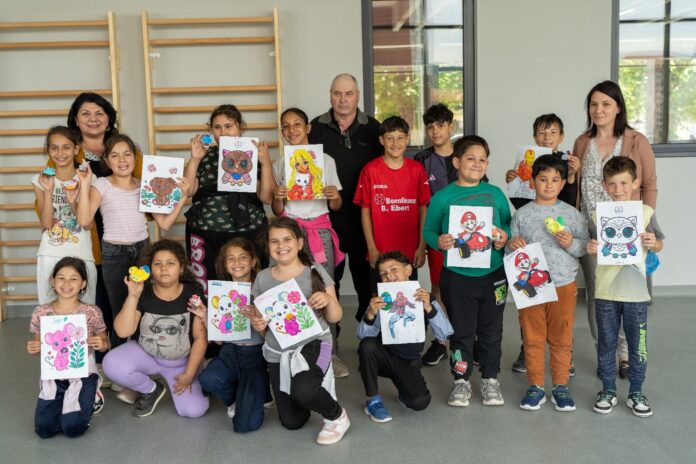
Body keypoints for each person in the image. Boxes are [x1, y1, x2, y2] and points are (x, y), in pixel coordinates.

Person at [76, 134, 189, 403]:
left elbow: (164, 223)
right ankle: (124, 378)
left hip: (142, 252)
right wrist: (85, 184)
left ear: (135, 157)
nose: (122, 160)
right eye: (114, 155)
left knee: (144, 310)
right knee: (121, 313)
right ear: (106, 160)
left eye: (127, 154)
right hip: (114, 254)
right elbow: (84, 220)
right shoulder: (101, 184)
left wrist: (182, 196)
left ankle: (143, 374)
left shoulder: (144, 184)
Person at [573, 81, 658, 378]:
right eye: (593, 104)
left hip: (628, 231)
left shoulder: (637, 140)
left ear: (618, 107)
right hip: (591, 230)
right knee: (598, 294)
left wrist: (643, 222)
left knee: (629, 291)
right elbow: (575, 185)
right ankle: (605, 353)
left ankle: (626, 353)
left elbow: (650, 185)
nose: (599, 110)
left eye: (606, 104)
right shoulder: (582, 142)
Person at [423, 135, 511, 407]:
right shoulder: (443, 197)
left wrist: (503, 238)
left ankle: (490, 380)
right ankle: (461, 381)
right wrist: (438, 241)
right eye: (471, 158)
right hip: (457, 277)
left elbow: (508, 226)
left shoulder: (495, 193)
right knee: (461, 332)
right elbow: (429, 231)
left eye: (483, 159)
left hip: (493, 274)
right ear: (456, 162)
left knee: (491, 331)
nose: (477, 164)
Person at [248, 217, 350, 445]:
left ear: (300, 243)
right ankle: (306, 393)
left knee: (304, 390)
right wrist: (259, 324)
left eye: (287, 239)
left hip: (315, 343)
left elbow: (335, 317)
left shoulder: (315, 271)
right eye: (274, 241)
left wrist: (327, 300)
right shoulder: (262, 278)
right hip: (278, 351)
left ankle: (336, 416)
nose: (281, 245)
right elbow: (262, 325)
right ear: (268, 245)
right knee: (292, 421)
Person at [506, 155, 589, 412]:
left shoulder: (572, 214)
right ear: (532, 182)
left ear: (563, 183)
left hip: (563, 284)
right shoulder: (521, 215)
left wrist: (571, 243)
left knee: (562, 337)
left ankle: (561, 386)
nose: (549, 185)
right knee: (532, 337)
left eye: (555, 180)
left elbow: (584, 247)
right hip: (531, 287)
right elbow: (509, 249)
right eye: (543, 179)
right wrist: (511, 244)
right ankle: (536, 386)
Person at [272, 107, 347, 377]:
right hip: (290, 231)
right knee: (289, 287)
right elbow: (277, 211)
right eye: (286, 125)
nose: (292, 130)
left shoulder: (324, 160)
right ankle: (294, 347)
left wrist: (333, 195)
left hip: (318, 230)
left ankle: (331, 352)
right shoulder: (280, 164)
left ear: (308, 128)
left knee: (325, 288)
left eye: (297, 124)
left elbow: (336, 206)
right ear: (282, 131)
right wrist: (278, 197)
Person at [586, 157, 663, 417]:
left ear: (635, 183)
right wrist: (591, 246)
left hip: (636, 293)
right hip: (605, 291)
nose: (618, 189)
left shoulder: (645, 213)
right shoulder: (597, 215)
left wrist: (653, 242)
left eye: (623, 183)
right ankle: (608, 389)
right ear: (604, 185)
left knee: (637, 344)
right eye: (612, 184)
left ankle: (636, 392)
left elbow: (660, 243)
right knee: (606, 342)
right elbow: (590, 243)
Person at [505, 114, 580, 374]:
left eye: (553, 132)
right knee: (531, 310)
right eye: (541, 132)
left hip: (558, 249)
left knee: (561, 318)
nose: (547, 137)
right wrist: (514, 182)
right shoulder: (527, 162)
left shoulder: (567, 163)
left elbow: (569, 203)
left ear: (562, 136)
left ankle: (566, 355)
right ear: (534, 137)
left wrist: (572, 177)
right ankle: (527, 349)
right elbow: (520, 206)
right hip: (532, 242)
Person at [102, 240, 210, 419]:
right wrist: (133, 296)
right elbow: (122, 331)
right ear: (150, 269)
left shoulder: (193, 293)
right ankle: (150, 389)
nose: (164, 268)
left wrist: (189, 374)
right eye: (157, 264)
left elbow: (200, 338)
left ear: (181, 268)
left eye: (170, 263)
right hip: (147, 355)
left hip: (181, 363)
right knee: (111, 364)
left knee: (194, 411)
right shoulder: (143, 292)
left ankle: (199, 370)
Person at [308, 73, 382, 327]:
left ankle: (367, 332)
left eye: (348, 93)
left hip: (365, 219)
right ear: (330, 96)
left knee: (366, 280)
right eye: (337, 93)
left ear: (357, 96)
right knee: (327, 280)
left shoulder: (373, 128)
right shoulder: (315, 127)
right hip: (327, 219)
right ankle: (331, 337)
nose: (343, 99)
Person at [183, 104, 274, 294]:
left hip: (248, 230)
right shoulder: (204, 155)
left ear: (240, 126)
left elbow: (266, 197)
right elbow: (188, 191)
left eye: (228, 126)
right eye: (217, 127)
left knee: (251, 287)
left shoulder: (254, 153)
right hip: (206, 231)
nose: (223, 132)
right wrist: (195, 158)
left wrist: (265, 163)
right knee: (208, 289)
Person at [358, 251, 453, 423]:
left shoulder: (426, 298)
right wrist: (371, 314)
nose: (389, 276)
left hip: (409, 361)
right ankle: (373, 400)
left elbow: (444, 334)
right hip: (383, 357)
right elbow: (363, 337)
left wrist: (429, 309)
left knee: (419, 402)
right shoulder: (381, 300)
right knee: (368, 346)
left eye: (394, 269)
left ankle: (403, 387)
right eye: (383, 274)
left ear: (408, 270)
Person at [353, 116, 430, 319]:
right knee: (379, 301)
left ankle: (406, 338)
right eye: (389, 138)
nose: (395, 143)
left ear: (407, 139)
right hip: (380, 251)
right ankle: (377, 338)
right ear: (381, 140)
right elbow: (365, 211)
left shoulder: (417, 170)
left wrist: (421, 246)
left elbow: (423, 209)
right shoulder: (370, 170)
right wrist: (371, 248)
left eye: (400, 138)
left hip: (409, 251)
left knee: (408, 300)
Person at [192, 238, 270, 433]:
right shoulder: (220, 293)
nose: (237, 263)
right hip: (230, 352)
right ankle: (236, 398)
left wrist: (256, 319)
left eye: (243, 257)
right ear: (225, 265)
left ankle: (259, 391)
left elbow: (271, 338)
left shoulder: (263, 291)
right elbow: (219, 340)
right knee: (208, 379)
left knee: (244, 425)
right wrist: (206, 316)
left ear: (253, 261)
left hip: (256, 355)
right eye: (231, 259)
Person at [27, 257, 108, 438]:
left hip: (83, 374)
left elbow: (104, 343)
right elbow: (40, 345)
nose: (66, 284)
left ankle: (93, 394)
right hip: (53, 375)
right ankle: (66, 401)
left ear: (83, 283)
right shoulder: (41, 312)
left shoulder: (92, 312)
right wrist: (34, 348)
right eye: (61, 278)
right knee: (44, 430)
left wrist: (102, 343)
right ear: (52, 281)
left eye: (73, 278)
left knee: (72, 429)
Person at [32, 126, 96, 306]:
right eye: (54, 148)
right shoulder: (40, 180)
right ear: (48, 150)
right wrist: (48, 191)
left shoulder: (89, 178)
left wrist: (74, 201)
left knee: (85, 311)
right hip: (50, 253)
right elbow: (46, 224)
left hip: (81, 253)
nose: (60, 153)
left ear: (76, 149)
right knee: (49, 309)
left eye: (66, 147)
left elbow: (88, 224)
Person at [413, 103, 457, 366]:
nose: (435, 131)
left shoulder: (465, 155)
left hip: (465, 234)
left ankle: (467, 339)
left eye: (440, 125)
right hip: (436, 234)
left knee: (465, 288)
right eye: (430, 127)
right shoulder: (421, 160)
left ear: (451, 126)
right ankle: (441, 341)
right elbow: (420, 203)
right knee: (438, 287)